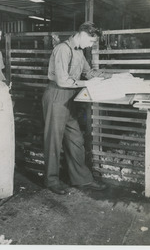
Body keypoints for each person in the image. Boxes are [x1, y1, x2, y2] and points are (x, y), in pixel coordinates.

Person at [42, 21, 112, 195]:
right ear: (82, 34)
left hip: (70, 98)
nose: (91, 45)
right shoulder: (62, 49)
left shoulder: (79, 52)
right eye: (90, 41)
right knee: (53, 141)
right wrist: (87, 83)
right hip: (56, 95)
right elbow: (62, 80)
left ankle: (81, 179)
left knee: (76, 139)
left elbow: (88, 73)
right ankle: (51, 181)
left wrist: (111, 77)